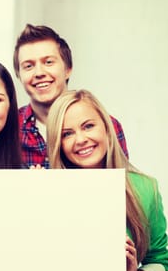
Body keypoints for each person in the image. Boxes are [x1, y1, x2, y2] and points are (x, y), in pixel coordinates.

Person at [46, 89, 168, 271]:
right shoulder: (49, 194)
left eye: (88, 126)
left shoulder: (145, 189)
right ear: (58, 143)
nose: (80, 139)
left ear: (106, 127)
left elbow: (160, 261)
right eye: (67, 133)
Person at [13, 24, 129, 168]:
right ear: (19, 75)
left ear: (68, 69)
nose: (39, 73)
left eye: (48, 62)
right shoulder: (10, 128)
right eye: (28, 66)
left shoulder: (107, 126)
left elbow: (119, 185)